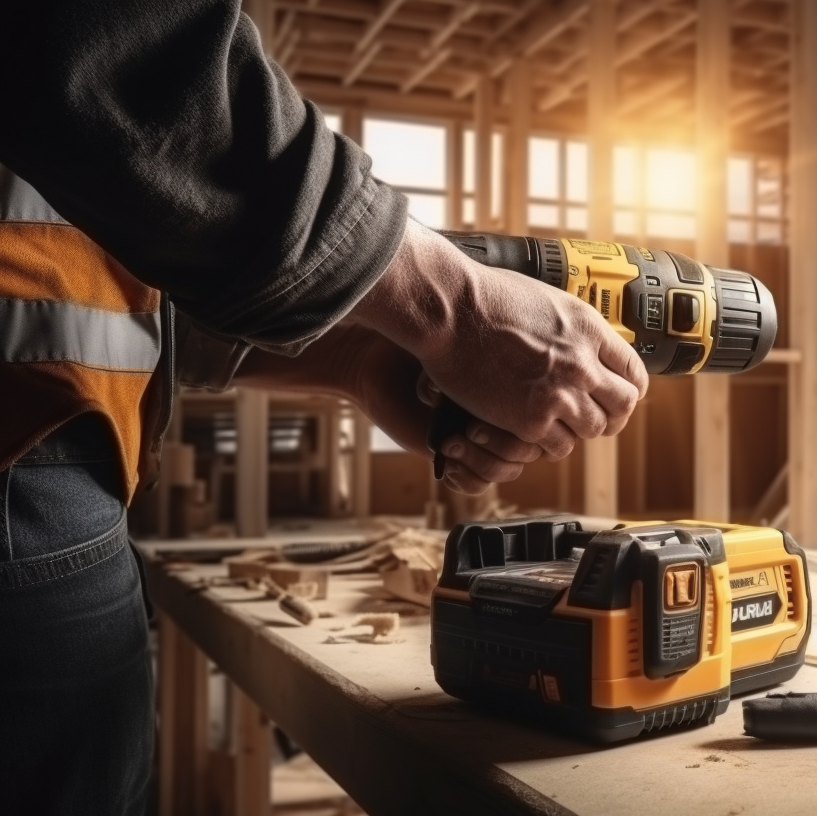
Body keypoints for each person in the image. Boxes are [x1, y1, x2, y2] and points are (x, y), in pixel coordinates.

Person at [0, 2, 649, 813]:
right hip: (22, 462)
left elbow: (113, 274)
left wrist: (360, 363)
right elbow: (125, 55)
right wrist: (453, 305)